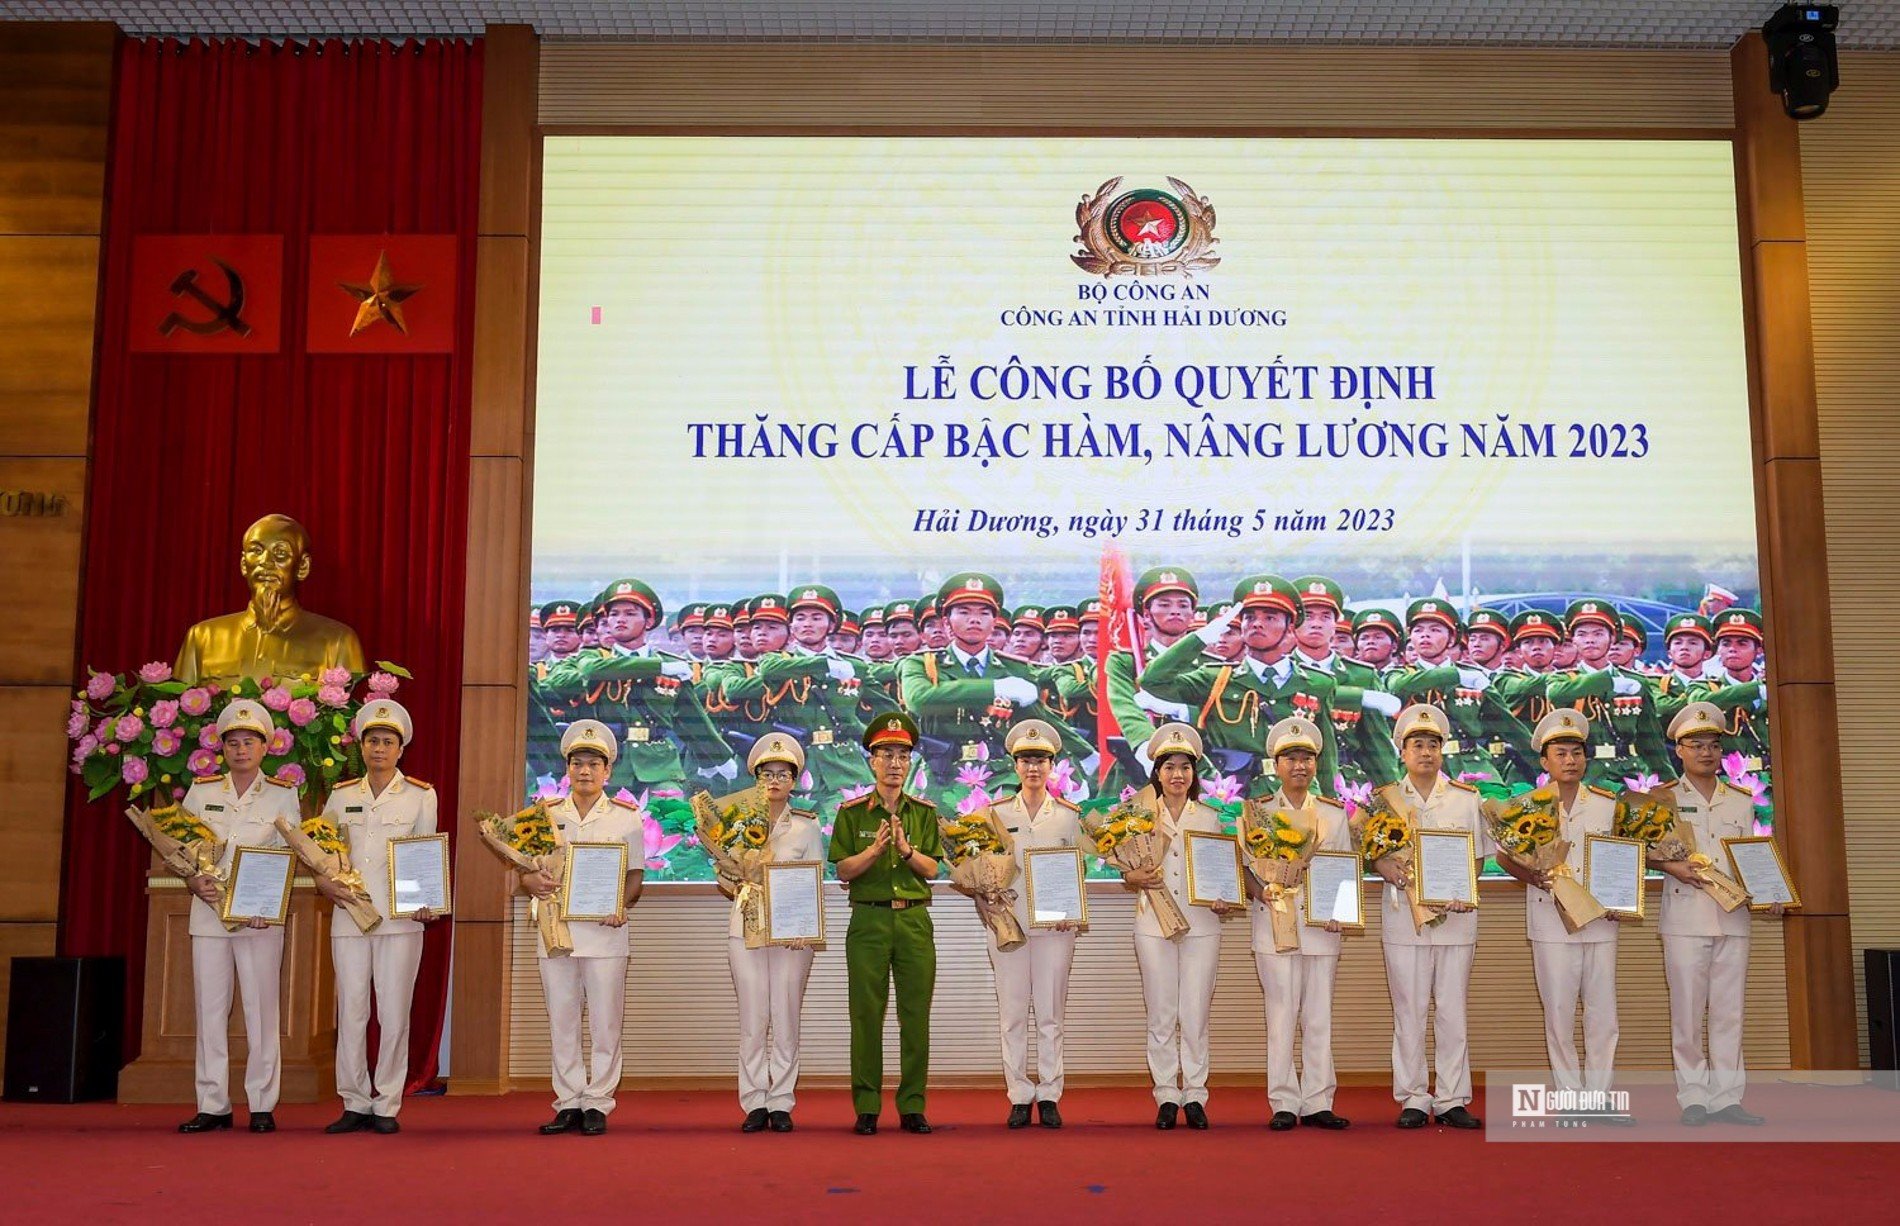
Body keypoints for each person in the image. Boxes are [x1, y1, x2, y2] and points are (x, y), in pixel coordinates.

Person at [172, 698, 302, 1133]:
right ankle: (213, 1103)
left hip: (258, 919)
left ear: (266, 748)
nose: (241, 749)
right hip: (208, 914)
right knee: (210, 1010)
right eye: (232, 742)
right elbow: (180, 846)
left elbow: (289, 854)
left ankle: (262, 1103)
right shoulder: (203, 791)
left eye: (249, 742)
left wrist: (266, 905)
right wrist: (192, 879)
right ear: (221, 748)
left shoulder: (284, 795)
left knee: (261, 1010)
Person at [1654, 702, 1781, 1126]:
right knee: (1687, 1013)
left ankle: (1727, 1096)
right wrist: (1669, 865)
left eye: (1713, 745)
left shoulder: (1740, 800)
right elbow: (1641, 852)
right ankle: (1693, 1096)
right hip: (1685, 919)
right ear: (1679, 750)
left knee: (1730, 1011)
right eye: (1696, 745)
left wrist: (1770, 892)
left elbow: (1752, 858)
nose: (1706, 753)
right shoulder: (1663, 798)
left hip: (1734, 919)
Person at [318, 699, 440, 1134]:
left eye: (388, 742)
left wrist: (426, 898)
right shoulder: (341, 795)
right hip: (350, 916)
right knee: (351, 1010)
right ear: (361, 746)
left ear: (401, 748)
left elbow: (425, 852)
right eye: (372, 741)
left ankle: (387, 1102)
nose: (380, 749)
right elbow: (322, 850)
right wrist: (323, 882)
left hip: (400, 918)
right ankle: (353, 1100)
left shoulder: (421, 795)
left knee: (393, 1011)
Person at [1498, 709, 1628, 1116]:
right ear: (1545, 761)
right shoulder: (1527, 807)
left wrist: (1622, 897)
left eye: (1576, 753)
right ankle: (1571, 1097)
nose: (1570, 760)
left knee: (1602, 1013)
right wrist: (1535, 878)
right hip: (1550, 919)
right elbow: (1504, 858)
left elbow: (1626, 858)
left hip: (1601, 920)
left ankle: (1600, 1097)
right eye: (1561, 753)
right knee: (1558, 1013)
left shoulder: (1608, 806)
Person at [521, 719, 645, 1136]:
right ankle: (569, 1100)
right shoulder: (546, 816)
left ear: (608, 771)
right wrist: (529, 882)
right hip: (556, 933)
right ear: (567, 769)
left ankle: (598, 1102)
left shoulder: (626, 819)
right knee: (562, 1019)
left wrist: (619, 905)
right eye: (578, 763)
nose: (586, 771)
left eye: (594, 763)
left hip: (606, 934)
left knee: (606, 1022)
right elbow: (527, 875)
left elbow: (635, 878)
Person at [830, 712, 944, 1135]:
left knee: (915, 1017)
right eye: (886, 754)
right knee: (866, 1016)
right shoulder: (852, 813)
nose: (895, 763)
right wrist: (875, 852)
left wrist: (904, 849)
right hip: (868, 921)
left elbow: (932, 869)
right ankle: (867, 1106)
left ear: (910, 762)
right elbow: (843, 870)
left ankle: (913, 1104)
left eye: (902, 754)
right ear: (871, 762)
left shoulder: (924, 813)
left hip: (913, 921)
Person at [1121, 722, 1239, 1129]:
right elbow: (1125, 869)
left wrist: (1226, 897)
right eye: (1169, 767)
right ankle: (1167, 1095)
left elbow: (1224, 872)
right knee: (1160, 1012)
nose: (1177, 775)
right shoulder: (1135, 817)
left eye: (1185, 767)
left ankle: (1195, 1095)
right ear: (1157, 773)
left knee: (1195, 1012)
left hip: (1202, 924)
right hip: (1152, 923)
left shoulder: (1210, 817)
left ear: (1194, 774)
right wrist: (1131, 877)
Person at [1376, 703, 1486, 1130]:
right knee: (1409, 1010)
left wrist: (1464, 891)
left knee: (1453, 1009)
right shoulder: (1384, 800)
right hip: (1404, 919)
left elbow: (1475, 859)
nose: (1426, 752)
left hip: (1457, 919)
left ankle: (1453, 1097)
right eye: (1417, 744)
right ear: (1402, 752)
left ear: (1443, 751)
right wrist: (1381, 865)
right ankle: (1413, 1097)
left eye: (1433, 745)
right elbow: (1375, 855)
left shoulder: (1466, 799)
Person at [896, 573, 1092, 808]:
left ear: (994, 620)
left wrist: (1086, 754)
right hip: (939, 776)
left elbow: (1042, 721)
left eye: (983, 613)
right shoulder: (922, 665)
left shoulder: (1014, 668)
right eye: (964, 612)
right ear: (946, 620)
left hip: (1001, 775)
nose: (974, 620)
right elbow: (920, 699)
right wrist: (995, 687)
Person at [1139, 576, 1341, 796]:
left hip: (1300, 795)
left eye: (1270, 617)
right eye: (1249, 617)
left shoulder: (1319, 682)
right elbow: (1152, 680)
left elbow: (1326, 755)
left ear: (1290, 628)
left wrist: (1330, 807)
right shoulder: (1216, 678)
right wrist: (1200, 638)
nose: (1256, 623)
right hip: (1236, 796)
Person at [537, 578, 739, 794]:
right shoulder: (592, 658)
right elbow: (590, 670)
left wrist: (719, 757)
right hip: (604, 766)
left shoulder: (671, 664)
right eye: (613, 614)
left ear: (649, 621)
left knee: (673, 819)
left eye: (630, 613)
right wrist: (657, 667)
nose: (619, 620)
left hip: (659, 765)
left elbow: (690, 717)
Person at [1249, 717, 1352, 1131]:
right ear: (1276, 765)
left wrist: (1340, 914)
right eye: (1290, 758)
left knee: (1318, 1015)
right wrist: (1268, 893)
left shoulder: (1333, 815)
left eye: (1307, 758)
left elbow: (1344, 870)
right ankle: (1284, 1102)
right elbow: (1245, 872)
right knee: (1281, 1013)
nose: (1299, 765)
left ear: (1316, 764)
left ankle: (1318, 1100)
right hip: (1274, 926)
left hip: (1321, 926)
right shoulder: (1258, 814)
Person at [983, 720, 1084, 1129]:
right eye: (1025, 760)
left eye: (1041, 760)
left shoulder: (1067, 817)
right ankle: (1020, 1094)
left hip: (1055, 929)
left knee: (1050, 1014)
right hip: (1007, 925)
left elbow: (1077, 870)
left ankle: (1050, 1093)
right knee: (1011, 1013)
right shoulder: (994, 815)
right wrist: (984, 893)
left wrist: (1070, 911)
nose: (1033, 768)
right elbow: (978, 867)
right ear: (1015, 765)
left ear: (1052, 765)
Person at [725, 734, 824, 1133]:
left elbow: (814, 878)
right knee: (753, 1017)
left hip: (791, 935)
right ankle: (753, 1101)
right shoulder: (735, 824)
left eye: (783, 774)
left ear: (794, 780)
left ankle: (781, 1100)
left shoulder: (806, 825)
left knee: (785, 1016)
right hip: (745, 924)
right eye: (767, 773)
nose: (774, 780)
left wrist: (805, 926)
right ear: (755, 777)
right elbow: (726, 878)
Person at [1289, 576, 1402, 790]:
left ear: (1335, 624)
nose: (1316, 623)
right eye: (1308, 616)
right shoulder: (1280, 672)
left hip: (1347, 783)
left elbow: (1376, 744)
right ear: (1293, 622)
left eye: (1325, 617)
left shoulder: (1361, 675)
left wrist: (1391, 795)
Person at [1546, 598, 1672, 788]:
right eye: (1582, 634)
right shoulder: (1562, 680)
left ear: (1612, 639)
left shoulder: (1636, 682)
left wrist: (1671, 784)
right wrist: (1608, 680)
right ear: (1573, 640)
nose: (1590, 640)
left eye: (1598, 634)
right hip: (1585, 775)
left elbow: (1651, 741)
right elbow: (1556, 694)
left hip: (1633, 772)